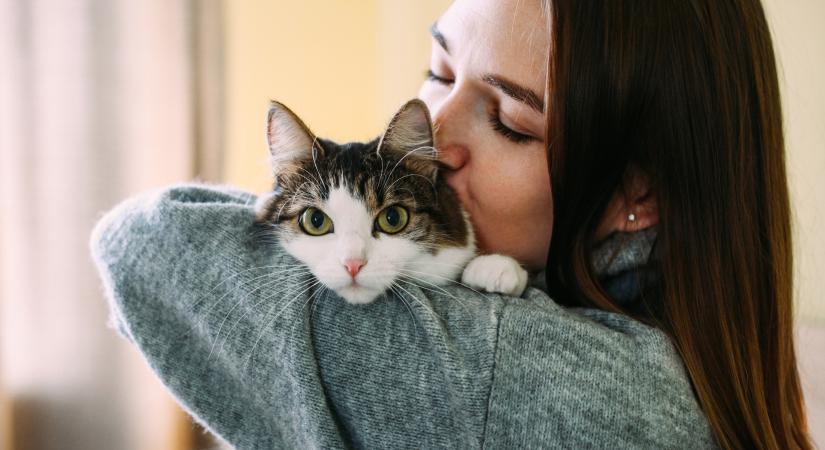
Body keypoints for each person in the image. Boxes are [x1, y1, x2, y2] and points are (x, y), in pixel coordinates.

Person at [91, 0, 812, 448]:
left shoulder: (537, 380)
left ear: (637, 193)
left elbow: (147, 244)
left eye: (509, 121)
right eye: (438, 71)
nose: (433, 140)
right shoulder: (673, 348)